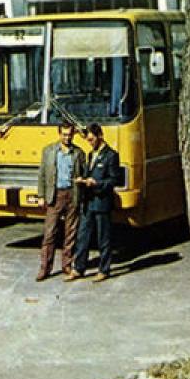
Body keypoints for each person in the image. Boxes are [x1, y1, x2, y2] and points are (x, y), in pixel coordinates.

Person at [35, 121, 87, 282]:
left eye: (70, 134)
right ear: (59, 134)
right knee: (49, 233)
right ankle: (45, 268)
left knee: (70, 233)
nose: (67, 137)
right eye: (64, 134)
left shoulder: (79, 153)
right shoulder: (49, 151)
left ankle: (67, 265)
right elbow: (42, 174)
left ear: (73, 134)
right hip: (54, 196)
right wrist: (41, 196)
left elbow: (82, 174)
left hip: (72, 194)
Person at [72, 123, 124, 281]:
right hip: (88, 202)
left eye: (92, 139)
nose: (90, 142)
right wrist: (82, 180)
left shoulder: (111, 156)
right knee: (82, 236)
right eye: (88, 140)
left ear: (100, 136)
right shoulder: (90, 155)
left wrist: (97, 184)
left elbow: (115, 179)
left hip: (102, 202)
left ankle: (104, 269)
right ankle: (78, 268)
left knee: (104, 238)